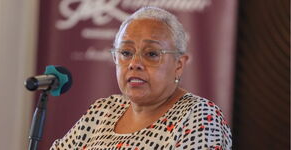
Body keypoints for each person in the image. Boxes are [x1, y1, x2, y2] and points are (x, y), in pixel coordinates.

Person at [50, 6, 232, 150]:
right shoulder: (103, 110)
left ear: (179, 64)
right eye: (126, 52)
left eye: (151, 54)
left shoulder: (199, 116)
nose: (134, 63)